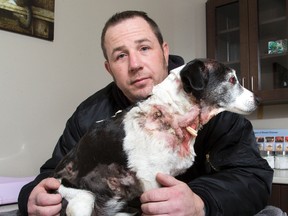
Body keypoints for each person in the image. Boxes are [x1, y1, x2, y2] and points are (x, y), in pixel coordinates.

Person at [18, 10, 273, 216]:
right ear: (109, 68)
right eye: (120, 55)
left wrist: (199, 202)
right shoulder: (88, 116)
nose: (135, 64)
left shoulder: (214, 105)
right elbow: (53, 173)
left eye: (144, 48)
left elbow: (253, 178)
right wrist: (31, 196)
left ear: (164, 50)